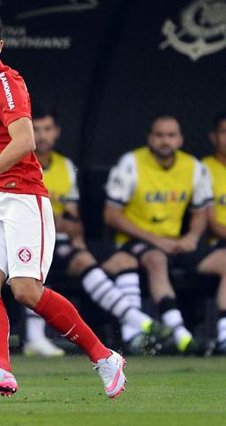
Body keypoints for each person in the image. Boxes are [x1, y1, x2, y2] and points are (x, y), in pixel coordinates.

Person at [0, 4, 126, 398]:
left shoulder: (7, 83)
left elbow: (25, 141)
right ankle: (0, 368)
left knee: (25, 291)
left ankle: (104, 356)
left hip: (23, 198)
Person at [32, 111, 171, 355]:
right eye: (35, 129)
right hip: (34, 246)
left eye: (46, 129)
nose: (41, 136)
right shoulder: (21, 164)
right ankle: (140, 322)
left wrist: (64, 225)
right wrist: (55, 221)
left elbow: (75, 226)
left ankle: (133, 335)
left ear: (57, 132)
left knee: (125, 260)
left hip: (65, 244)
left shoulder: (65, 166)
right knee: (83, 259)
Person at [104, 115, 226, 354]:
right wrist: (156, 240)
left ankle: (224, 335)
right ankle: (180, 334)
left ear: (180, 139)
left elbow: (201, 212)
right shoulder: (131, 162)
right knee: (156, 259)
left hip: (175, 244)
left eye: (171, 135)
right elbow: (112, 215)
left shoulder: (193, 166)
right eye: (159, 135)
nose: (165, 141)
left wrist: (191, 237)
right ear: (150, 138)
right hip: (137, 242)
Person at [196, 113, 226, 355]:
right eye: (224, 132)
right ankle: (224, 333)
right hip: (212, 247)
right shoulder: (204, 169)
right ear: (213, 137)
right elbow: (213, 224)